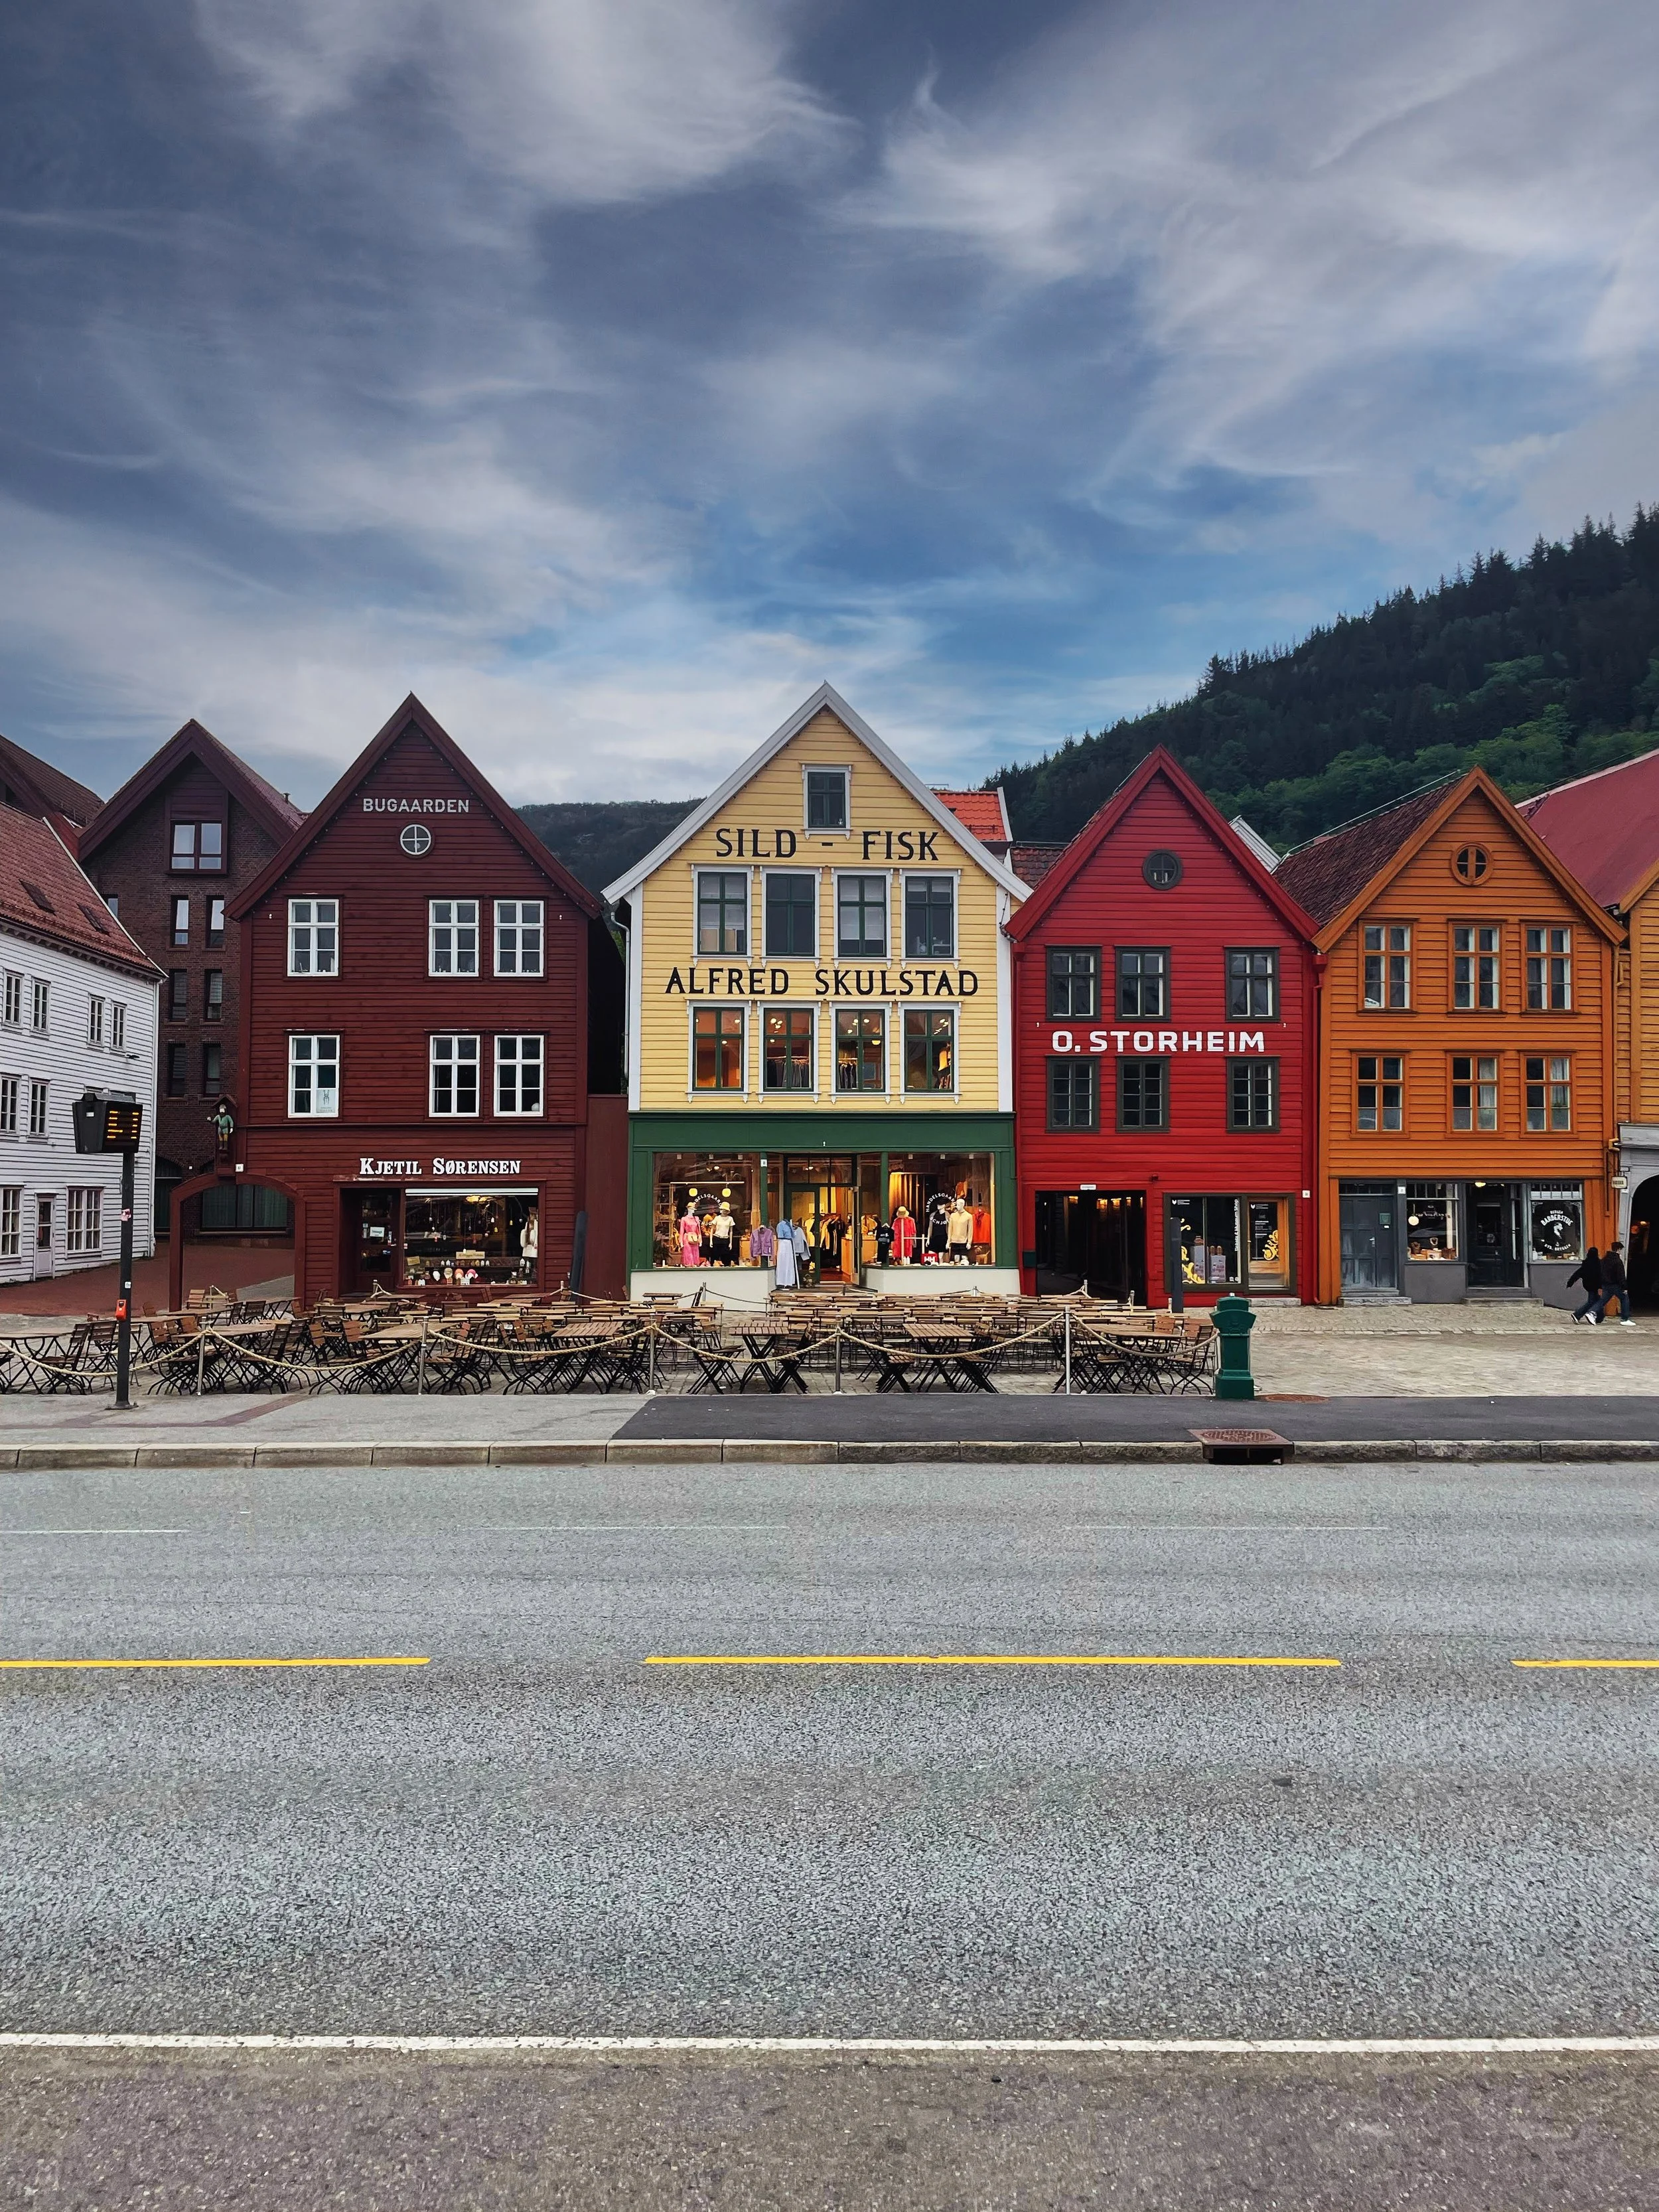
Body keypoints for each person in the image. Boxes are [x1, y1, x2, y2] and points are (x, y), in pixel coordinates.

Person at [1593, 1240, 1634, 1325]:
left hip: (1605, 1284)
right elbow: (1621, 1276)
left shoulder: (1604, 1259)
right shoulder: (1618, 1261)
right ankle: (1625, 1319)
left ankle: (1591, 1312)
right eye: (1621, 1250)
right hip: (1615, 1285)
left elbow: (1599, 1272)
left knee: (1603, 1300)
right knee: (1624, 1298)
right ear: (1618, 1250)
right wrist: (1624, 1287)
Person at [1567, 1244, 1602, 1323]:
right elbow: (1600, 1275)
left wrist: (1570, 1283)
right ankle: (1577, 1315)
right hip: (1594, 1286)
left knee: (1598, 1300)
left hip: (1588, 1285)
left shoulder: (1586, 1263)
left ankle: (1599, 1318)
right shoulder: (1598, 1263)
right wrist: (1602, 1285)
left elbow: (1577, 1274)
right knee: (1592, 1302)